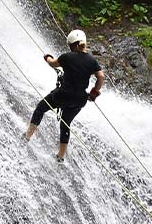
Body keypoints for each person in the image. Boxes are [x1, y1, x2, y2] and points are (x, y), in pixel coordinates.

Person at [25, 29, 105, 162]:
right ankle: (60, 156)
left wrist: (47, 57)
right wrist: (94, 93)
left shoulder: (67, 57)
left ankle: (27, 136)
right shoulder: (92, 60)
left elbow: (52, 63)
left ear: (72, 44)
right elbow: (101, 77)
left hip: (63, 95)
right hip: (80, 99)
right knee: (66, 123)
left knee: (41, 108)